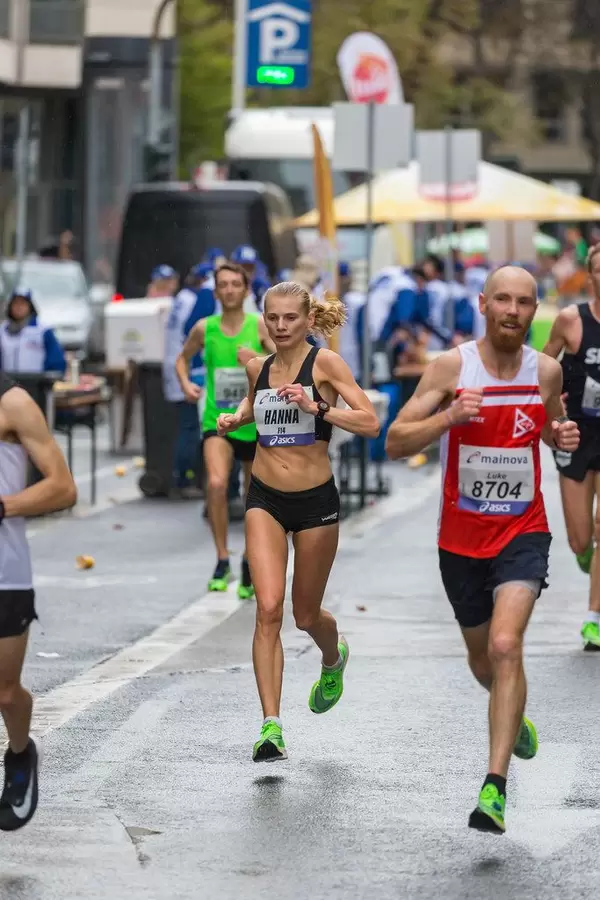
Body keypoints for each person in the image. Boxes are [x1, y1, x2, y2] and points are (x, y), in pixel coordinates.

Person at [385, 265, 579, 834]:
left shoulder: (545, 370)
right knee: (482, 660)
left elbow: (550, 425)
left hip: (523, 530)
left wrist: (559, 435)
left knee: (504, 643)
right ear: (483, 304)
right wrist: (450, 415)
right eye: (503, 300)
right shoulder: (452, 367)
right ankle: (510, 711)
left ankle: (494, 787)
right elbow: (396, 439)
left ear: (534, 310)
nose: (513, 311)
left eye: (523, 302)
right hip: (460, 541)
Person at [216, 281, 380, 762]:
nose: (281, 326)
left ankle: (334, 657)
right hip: (264, 497)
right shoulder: (257, 367)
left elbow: (369, 421)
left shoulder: (325, 364)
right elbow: (257, 407)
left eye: (291, 318)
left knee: (305, 613)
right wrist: (235, 418)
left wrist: (319, 407)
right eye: (273, 318)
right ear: (263, 319)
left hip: (315, 503)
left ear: (308, 320)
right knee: (268, 608)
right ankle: (271, 725)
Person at [0, 373, 77, 830]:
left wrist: (4, 506)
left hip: (5, 574)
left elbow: (63, 487)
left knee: (4, 691)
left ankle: (21, 752)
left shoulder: (13, 402)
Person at [175, 263, 274, 597]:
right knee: (216, 483)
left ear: (246, 290)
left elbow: (285, 363)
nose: (229, 290)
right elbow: (182, 359)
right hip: (217, 419)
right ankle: (221, 559)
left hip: (254, 420)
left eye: (236, 284)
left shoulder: (259, 325)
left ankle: (248, 559)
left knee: (253, 496)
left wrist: (257, 360)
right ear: (215, 292)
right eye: (223, 285)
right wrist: (186, 383)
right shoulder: (205, 328)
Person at [543, 243, 600, 649]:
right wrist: (552, 403)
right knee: (581, 540)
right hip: (577, 436)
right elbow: (544, 369)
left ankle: (594, 617)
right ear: (590, 275)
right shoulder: (570, 320)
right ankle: (588, 554)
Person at [0, 290, 66, 376]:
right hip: (8, 383)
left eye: (23, 304)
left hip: (36, 382)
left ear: (30, 307)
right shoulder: (2, 330)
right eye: (16, 304)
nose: (19, 307)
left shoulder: (42, 330)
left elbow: (56, 359)